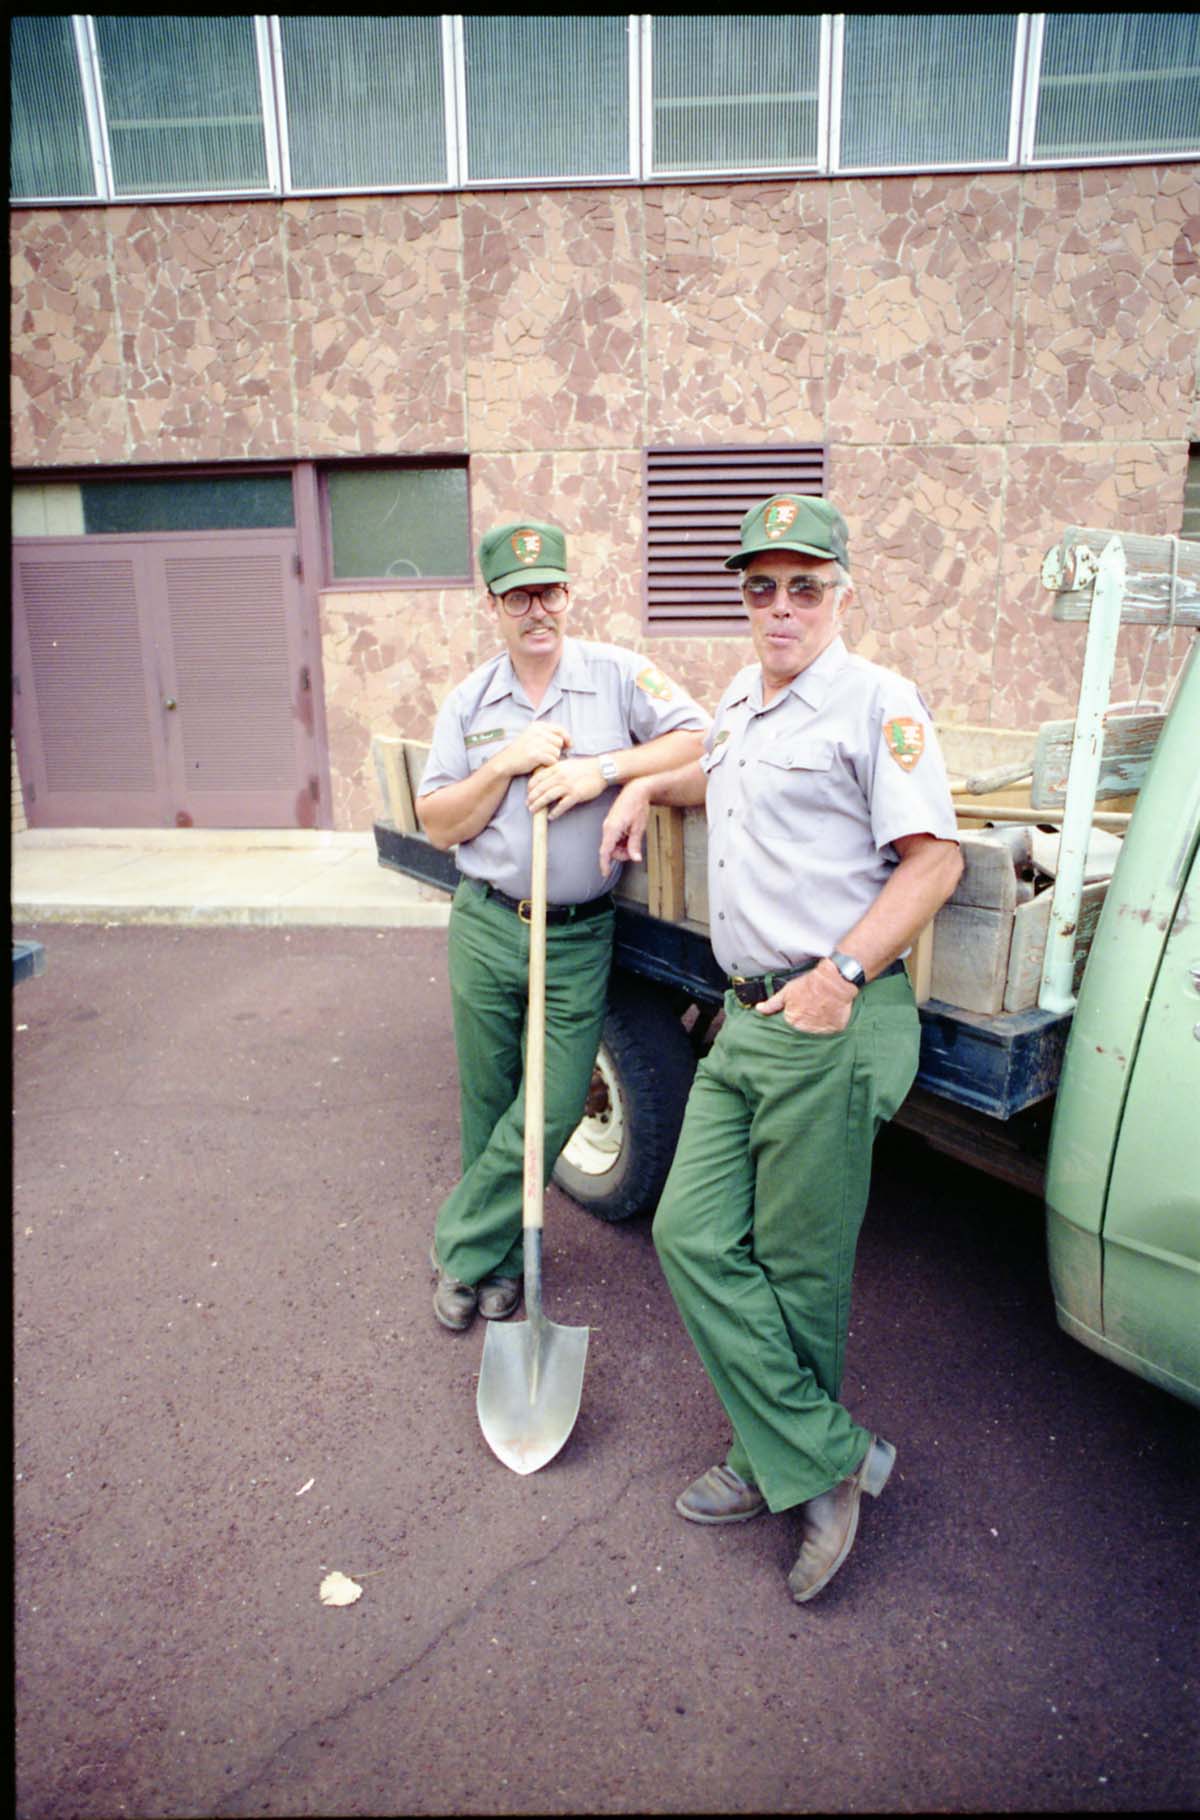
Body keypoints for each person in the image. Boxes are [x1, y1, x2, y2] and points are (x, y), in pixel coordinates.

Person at [599, 493, 963, 1603]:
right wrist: (641, 783)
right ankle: (828, 1448)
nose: (781, 604)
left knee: (801, 1269)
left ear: (843, 592)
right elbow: (717, 770)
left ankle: (793, 1471)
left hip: (830, 1013)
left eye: (805, 584)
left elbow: (933, 859)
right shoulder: (743, 700)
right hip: (749, 1013)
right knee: (691, 1230)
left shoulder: (875, 703)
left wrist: (841, 975)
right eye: (761, 585)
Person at [416, 516, 707, 1332]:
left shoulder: (618, 676)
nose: (536, 609)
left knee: (549, 1109)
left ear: (569, 593)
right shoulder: (471, 703)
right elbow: (439, 823)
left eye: (549, 591)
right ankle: (498, 1265)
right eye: (518, 597)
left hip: (578, 933)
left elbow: (699, 733)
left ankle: (458, 1245)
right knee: (489, 1099)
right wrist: (505, 763)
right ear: (495, 606)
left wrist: (608, 773)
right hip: (486, 923)